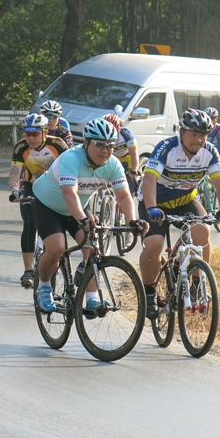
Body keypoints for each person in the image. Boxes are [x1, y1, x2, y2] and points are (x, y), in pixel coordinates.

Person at [30, 117, 147, 313]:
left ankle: (92, 298)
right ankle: (43, 286)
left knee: (92, 249)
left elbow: (124, 196)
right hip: (48, 204)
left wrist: (132, 221)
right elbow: (69, 194)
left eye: (110, 146)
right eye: (99, 145)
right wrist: (82, 218)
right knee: (56, 248)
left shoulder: (113, 164)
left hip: (77, 205)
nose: (105, 150)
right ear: (86, 143)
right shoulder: (71, 159)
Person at [137, 108, 220, 313]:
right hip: (155, 202)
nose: (198, 140)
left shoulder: (209, 151)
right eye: (193, 134)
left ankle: (198, 284)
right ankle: (148, 292)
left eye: (203, 135)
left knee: (202, 232)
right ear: (181, 132)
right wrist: (152, 207)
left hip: (185, 200)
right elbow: (150, 179)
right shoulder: (167, 147)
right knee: (154, 244)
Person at [8, 112, 69, 288]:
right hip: (32, 186)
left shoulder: (58, 144)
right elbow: (14, 172)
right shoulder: (21, 147)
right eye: (27, 133)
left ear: (44, 132)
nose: (31, 138)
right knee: (29, 223)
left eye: (35, 133)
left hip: (55, 188)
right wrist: (15, 190)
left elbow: (70, 167)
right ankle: (28, 270)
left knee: (59, 225)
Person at [102, 112, 141, 195]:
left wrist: (134, 171)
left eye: (113, 130)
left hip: (127, 157)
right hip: (112, 158)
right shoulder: (101, 136)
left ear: (118, 128)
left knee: (130, 184)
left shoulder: (126, 134)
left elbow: (134, 153)